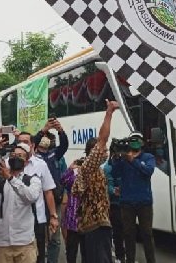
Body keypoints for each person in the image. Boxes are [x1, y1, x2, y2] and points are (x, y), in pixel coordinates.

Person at [71, 100, 119, 263]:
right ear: (94, 153)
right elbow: (103, 139)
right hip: (95, 225)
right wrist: (109, 113)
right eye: (103, 150)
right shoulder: (88, 167)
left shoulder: (97, 169)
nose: (106, 152)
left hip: (93, 225)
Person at [0, 143, 41, 263]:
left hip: (25, 241)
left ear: (27, 162)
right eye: (13, 155)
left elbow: (31, 197)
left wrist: (10, 178)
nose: (15, 158)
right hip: (3, 242)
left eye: (20, 156)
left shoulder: (33, 180)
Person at [111, 132, 156, 263]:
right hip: (127, 203)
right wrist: (116, 157)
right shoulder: (123, 158)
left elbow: (148, 171)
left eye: (137, 140)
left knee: (147, 234)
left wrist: (133, 160)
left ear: (142, 143)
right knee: (128, 235)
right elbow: (114, 173)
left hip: (144, 203)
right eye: (132, 140)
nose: (134, 143)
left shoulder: (148, 157)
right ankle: (129, 260)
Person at [17, 132, 60, 263]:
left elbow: (48, 192)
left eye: (26, 142)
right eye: (20, 142)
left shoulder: (40, 164)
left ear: (32, 145)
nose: (23, 145)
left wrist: (53, 216)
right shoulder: (8, 164)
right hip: (17, 221)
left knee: (38, 256)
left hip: (37, 220)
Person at [33, 119, 69, 263]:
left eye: (48, 136)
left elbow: (65, 145)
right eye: (44, 136)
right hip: (37, 201)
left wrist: (60, 130)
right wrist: (43, 129)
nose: (45, 139)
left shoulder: (54, 155)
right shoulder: (33, 156)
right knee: (39, 236)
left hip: (55, 200)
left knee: (55, 238)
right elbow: (32, 143)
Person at [60, 159, 84, 263]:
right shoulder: (72, 177)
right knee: (71, 251)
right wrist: (70, 168)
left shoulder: (88, 176)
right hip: (73, 218)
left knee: (87, 251)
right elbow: (62, 180)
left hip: (86, 219)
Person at [103, 159, 125, 263]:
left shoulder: (126, 164)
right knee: (117, 231)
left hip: (125, 203)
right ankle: (118, 256)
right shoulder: (108, 167)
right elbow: (109, 186)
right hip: (113, 203)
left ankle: (121, 255)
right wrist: (114, 191)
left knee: (121, 231)